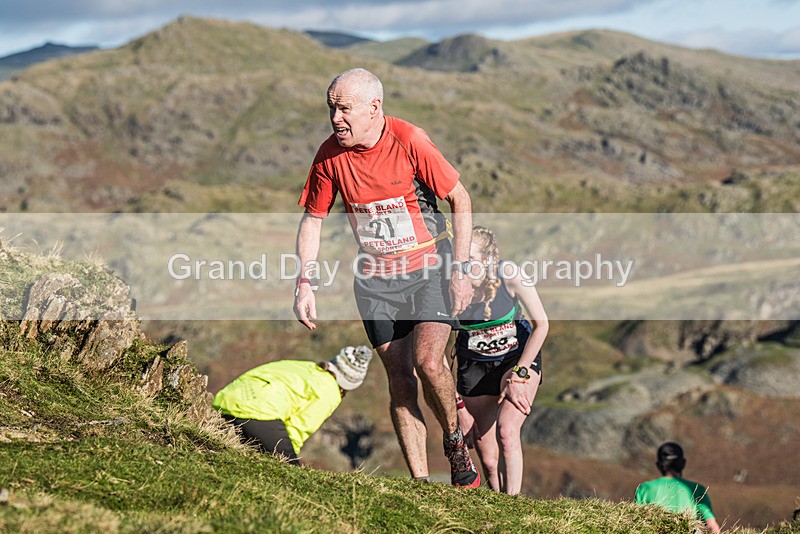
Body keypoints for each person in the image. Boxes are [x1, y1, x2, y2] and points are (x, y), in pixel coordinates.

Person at [294, 67, 479, 487]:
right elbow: (313, 219)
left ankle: (453, 440)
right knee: (399, 381)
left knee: (428, 361)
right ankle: (420, 484)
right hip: (377, 281)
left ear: (374, 108)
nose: (336, 118)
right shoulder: (328, 156)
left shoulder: (410, 139)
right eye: (331, 109)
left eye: (344, 109)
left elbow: (459, 198)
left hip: (430, 267)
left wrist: (461, 269)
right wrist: (305, 281)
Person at [452, 226, 549, 494]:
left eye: (470, 260)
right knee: (488, 457)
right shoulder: (449, 285)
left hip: (516, 358)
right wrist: (458, 406)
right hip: (474, 366)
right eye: (458, 259)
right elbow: (436, 355)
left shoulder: (510, 275)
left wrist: (520, 373)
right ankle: (499, 506)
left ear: (488, 260)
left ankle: (513, 505)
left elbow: (542, 325)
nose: (462, 267)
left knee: (506, 432)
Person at [212, 345, 373, 463]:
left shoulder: (307, 367)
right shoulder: (330, 391)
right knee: (291, 473)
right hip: (260, 414)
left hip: (226, 401)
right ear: (350, 383)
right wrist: (290, 456)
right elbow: (299, 428)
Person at [635, 442, 722, 533]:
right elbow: (712, 527)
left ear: (658, 465)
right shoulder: (697, 489)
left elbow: (637, 524)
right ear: (683, 463)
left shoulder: (644, 488)